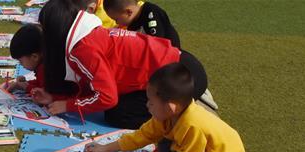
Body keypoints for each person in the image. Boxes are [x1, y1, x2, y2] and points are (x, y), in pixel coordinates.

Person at [36, 0, 208, 129]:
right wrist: (57, 98)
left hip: (183, 78)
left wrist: (67, 105)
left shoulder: (82, 49)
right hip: (182, 67)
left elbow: (107, 97)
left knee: (117, 115)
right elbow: (95, 83)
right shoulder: (88, 35)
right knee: (117, 107)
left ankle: (179, 114)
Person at [85, 63, 244, 152]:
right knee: (163, 147)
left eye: (151, 102)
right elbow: (141, 136)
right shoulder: (165, 117)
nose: (147, 105)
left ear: (170, 107)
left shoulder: (192, 125)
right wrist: (104, 148)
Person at [104, 0, 180, 47]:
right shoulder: (133, 24)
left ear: (128, 12)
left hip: (172, 60)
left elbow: (158, 46)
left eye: (116, 19)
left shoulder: (151, 14)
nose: (116, 23)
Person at [3, 24, 44, 93]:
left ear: (35, 57)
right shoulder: (42, 65)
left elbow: (45, 93)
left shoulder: (45, 69)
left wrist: (25, 86)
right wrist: (24, 84)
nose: (20, 64)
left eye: (21, 61)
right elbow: (40, 84)